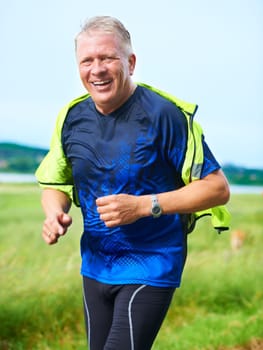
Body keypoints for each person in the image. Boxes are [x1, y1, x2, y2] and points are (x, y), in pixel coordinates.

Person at [36, 15, 230, 350]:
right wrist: (54, 213)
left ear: (130, 62)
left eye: (108, 58)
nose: (97, 69)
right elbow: (56, 181)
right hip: (95, 264)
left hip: (152, 261)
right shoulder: (71, 117)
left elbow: (217, 188)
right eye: (87, 60)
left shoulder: (164, 115)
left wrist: (143, 206)